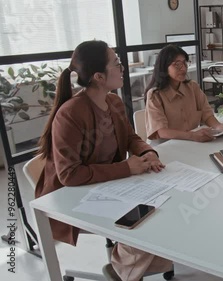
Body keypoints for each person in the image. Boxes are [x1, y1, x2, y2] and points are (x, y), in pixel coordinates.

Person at [35, 40, 174, 281]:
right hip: (73, 196)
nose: (123, 68)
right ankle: (124, 270)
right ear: (99, 76)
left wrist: (146, 152)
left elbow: (130, 137)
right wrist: (126, 168)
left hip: (110, 186)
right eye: (117, 64)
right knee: (144, 221)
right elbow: (69, 175)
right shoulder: (70, 114)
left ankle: (126, 267)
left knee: (167, 208)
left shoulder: (114, 102)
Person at [144, 44, 223, 143]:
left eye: (185, 63)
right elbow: (161, 131)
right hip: (166, 146)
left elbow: (207, 115)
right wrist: (192, 136)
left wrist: (218, 126)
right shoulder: (155, 95)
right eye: (177, 64)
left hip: (189, 142)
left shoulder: (192, 87)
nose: (183, 68)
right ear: (164, 67)